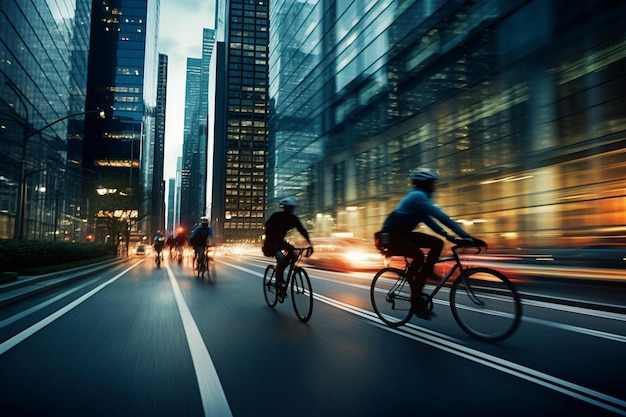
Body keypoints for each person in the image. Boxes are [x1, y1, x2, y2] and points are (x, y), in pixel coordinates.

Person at [380, 168, 475, 316]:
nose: (434, 187)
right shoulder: (417, 196)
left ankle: (425, 271)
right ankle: (414, 291)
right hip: (392, 235)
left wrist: (448, 236)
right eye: (432, 183)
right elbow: (441, 216)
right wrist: (466, 235)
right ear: (424, 184)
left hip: (403, 234)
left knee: (438, 243)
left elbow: (430, 221)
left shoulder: (421, 199)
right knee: (418, 256)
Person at [262, 197, 314, 290]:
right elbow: (267, 227)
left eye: (291, 208)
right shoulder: (276, 216)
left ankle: (283, 270)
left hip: (280, 242)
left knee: (294, 255)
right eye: (289, 208)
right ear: (284, 208)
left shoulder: (293, 219)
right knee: (281, 258)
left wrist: (310, 245)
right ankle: (279, 278)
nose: (290, 210)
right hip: (270, 243)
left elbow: (302, 231)